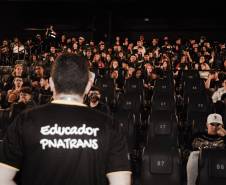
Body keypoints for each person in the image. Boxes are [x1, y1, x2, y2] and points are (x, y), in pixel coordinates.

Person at [0, 54, 131, 185]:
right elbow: (121, 182)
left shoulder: (25, 120)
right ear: (89, 85)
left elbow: (2, 178)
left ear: (51, 83)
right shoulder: (110, 125)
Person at [186, 113, 226, 185]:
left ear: (222, 126)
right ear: (207, 125)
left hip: (220, 159)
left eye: (218, 125)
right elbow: (187, 148)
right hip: (202, 160)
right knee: (193, 155)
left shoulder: (224, 138)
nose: (215, 127)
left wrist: (225, 136)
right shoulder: (198, 135)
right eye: (212, 124)